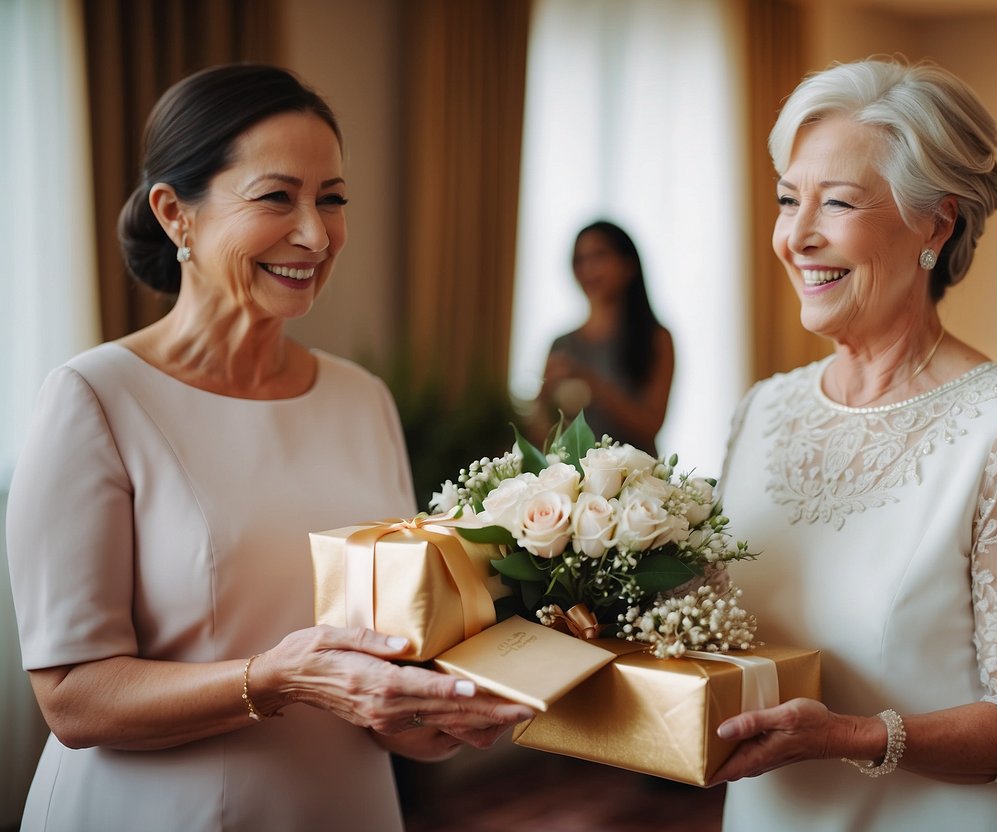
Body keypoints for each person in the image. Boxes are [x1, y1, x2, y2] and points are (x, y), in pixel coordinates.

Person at [4, 64, 533, 832]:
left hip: (342, 807)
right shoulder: (95, 399)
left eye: (332, 199)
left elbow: (381, 662)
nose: (316, 234)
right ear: (174, 213)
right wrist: (277, 679)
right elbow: (73, 701)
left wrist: (435, 717)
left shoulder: (361, 398)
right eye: (276, 197)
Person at [709, 58, 997, 831]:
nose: (796, 236)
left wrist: (848, 737)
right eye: (788, 200)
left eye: (837, 203)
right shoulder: (762, 410)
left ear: (936, 223)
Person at [531, 220, 675, 455]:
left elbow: (651, 426)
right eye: (579, 260)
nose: (587, 269)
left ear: (628, 266)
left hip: (635, 484)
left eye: (598, 257)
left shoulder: (656, 338)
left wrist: (594, 385)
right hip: (574, 484)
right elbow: (541, 435)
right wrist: (542, 398)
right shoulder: (561, 344)